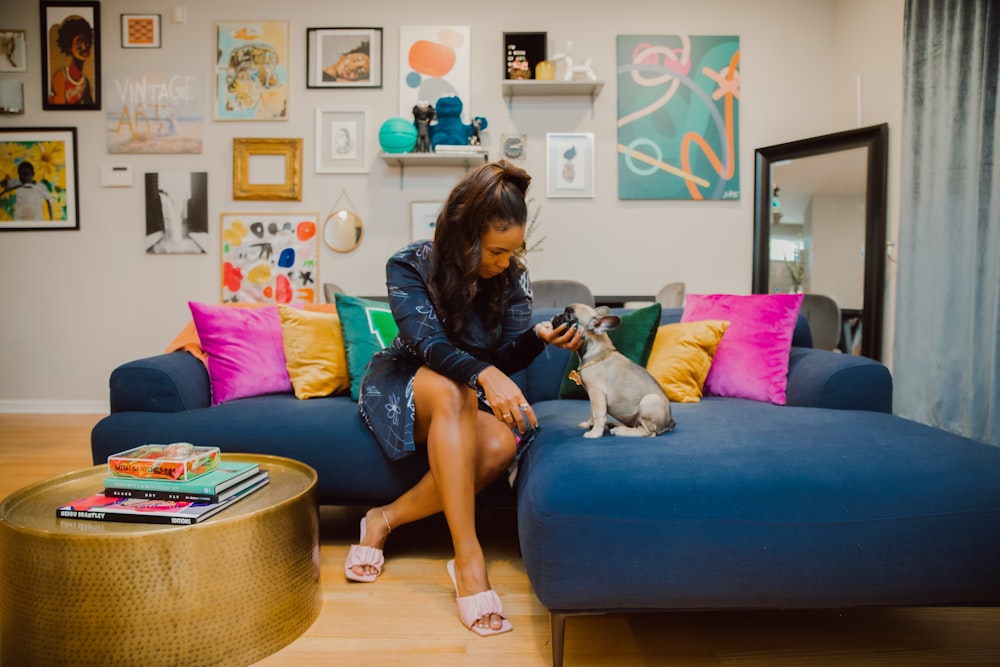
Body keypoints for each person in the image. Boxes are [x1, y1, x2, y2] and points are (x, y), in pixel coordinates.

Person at [347, 160, 582, 636]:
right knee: (454, 389)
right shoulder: (409, 264)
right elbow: (427, 346)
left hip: (461, 386)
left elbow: (506, 359)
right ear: (467, 233)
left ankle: (383, 518)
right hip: (404, 377)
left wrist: (537, 337)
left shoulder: (512, 278)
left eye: (512, 251)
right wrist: (484, 374)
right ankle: (468, 560)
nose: (505, 263)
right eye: (497, 251)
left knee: (499, 445)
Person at [49, 15, 94, 106]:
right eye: (79, 43)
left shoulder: (85, 82)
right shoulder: (61, 77)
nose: (84, 47)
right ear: (69, 48)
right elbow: (58, 110)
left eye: (86, 42)